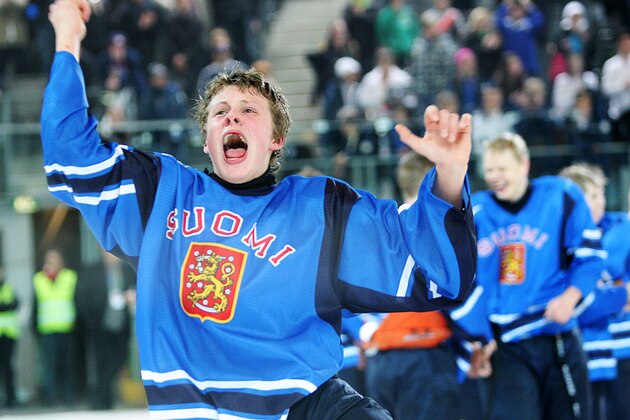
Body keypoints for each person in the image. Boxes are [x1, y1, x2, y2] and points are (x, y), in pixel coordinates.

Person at [42, 1, 476, 418]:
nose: (232, 118)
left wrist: (450, 176)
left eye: (249, 110)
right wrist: (68, 39)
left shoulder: (319, 210)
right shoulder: (160, 191)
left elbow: (435, 270)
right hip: (201, 406)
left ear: (276, 140)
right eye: (220, 112)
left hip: (308, 403)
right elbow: (70, 157)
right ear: (207, 138)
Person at [457, 133, 606, 420]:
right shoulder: (475, 212)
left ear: (524, 165)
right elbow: (460, 284)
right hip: (505, 345)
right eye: (489, 170)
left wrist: (569, 297)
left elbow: (591, 258)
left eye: (502, 169)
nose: (495, 177)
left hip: (554, 335)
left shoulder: (561, 195)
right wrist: (478, 337)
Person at [361, 152, 461, 420]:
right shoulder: (438, 228)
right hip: (425, 353)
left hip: (381, 359)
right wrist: (479, 340)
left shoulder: (377, 229)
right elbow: (458, 297)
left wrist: (365, 331)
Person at [558, 163, 630, 420]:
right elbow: (585, 305)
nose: (600, 203)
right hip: (582, 355)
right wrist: (623, 296)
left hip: (615, 353)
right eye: (592, 196)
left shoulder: (619, 229)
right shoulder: (563, 245)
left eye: (600, 194)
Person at [76, 249, 136, 410]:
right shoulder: (92, 270)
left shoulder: (127, 269)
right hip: (99, 324)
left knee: (120, 358)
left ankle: (100, 394)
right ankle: (102, 400)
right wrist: (88, 318)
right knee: (101, 362)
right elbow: (82, 294)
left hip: (121, 324)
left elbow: (135, 288)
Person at [32, 248, 78, 406]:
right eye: (50, 259)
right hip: (47, 330)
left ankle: (68, 395)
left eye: (56, 259)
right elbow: (35, 305)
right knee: (49, 366)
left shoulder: (70, 276)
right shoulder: (39, 278)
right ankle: (50, 397)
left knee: (67, 365)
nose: (53, 262)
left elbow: (76, 301)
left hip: (67, 329)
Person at [0, 265, 20, 408]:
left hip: (8, 334)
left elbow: (15, 304)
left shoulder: (8, 288)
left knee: (8, 368)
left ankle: (11, 398)